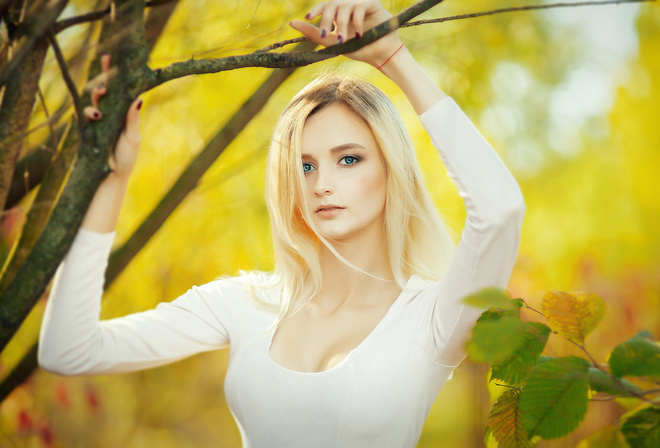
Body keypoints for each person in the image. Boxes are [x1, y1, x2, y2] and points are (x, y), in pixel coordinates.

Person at [39, 1, 525, 446]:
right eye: (306, 165)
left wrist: (394, 56)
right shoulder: (246, 304)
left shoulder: (433, 319)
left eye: (349, 159)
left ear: (391, 168)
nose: (321, 185)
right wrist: (111, 178)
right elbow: (69, 350)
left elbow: (500, 210)